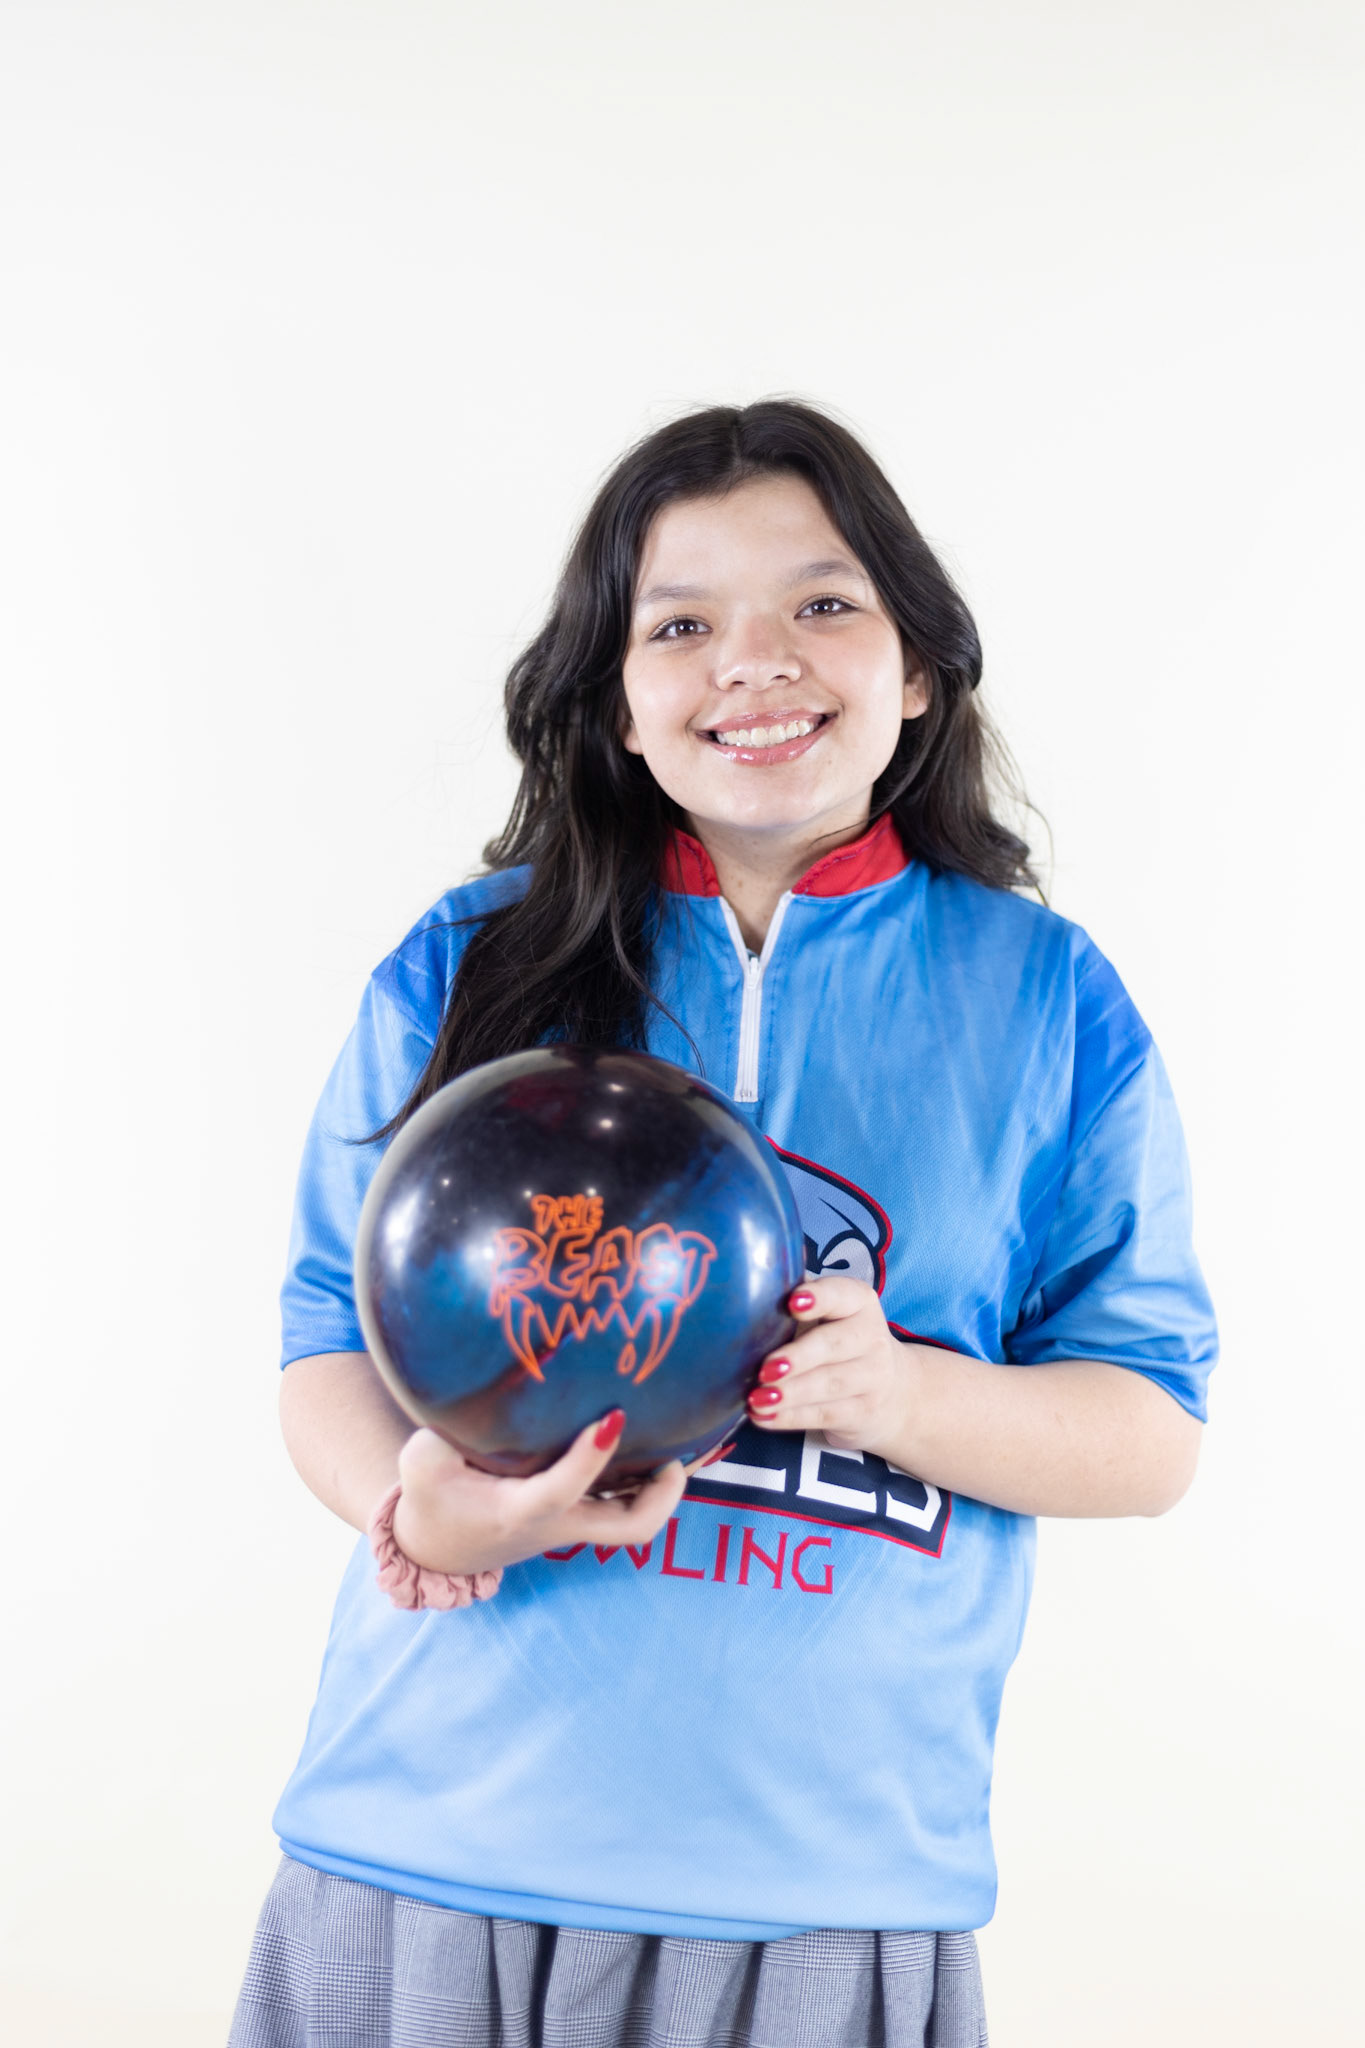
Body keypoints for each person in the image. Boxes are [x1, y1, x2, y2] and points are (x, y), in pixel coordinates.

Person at [229, 400, 1217, 2048]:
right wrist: (423, 1529)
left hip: (821, 1888)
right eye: (680, 625)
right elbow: (332, 1335)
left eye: (821, 604)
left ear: (916, 668)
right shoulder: (463, 964)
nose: (751, 661)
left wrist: (908, 1397)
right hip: (431, 1843)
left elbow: (1149, 1429)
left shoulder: (1047, 999)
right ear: (614, 703)